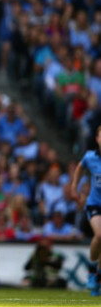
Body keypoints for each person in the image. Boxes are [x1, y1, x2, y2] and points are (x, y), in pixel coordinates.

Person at [72, 125, 101, 296]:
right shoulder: (90, 157)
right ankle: (92, 270)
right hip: (95, 204)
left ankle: (97, 279)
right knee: (99, 235)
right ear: (97, 139)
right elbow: (79, 167)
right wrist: (74, 185)